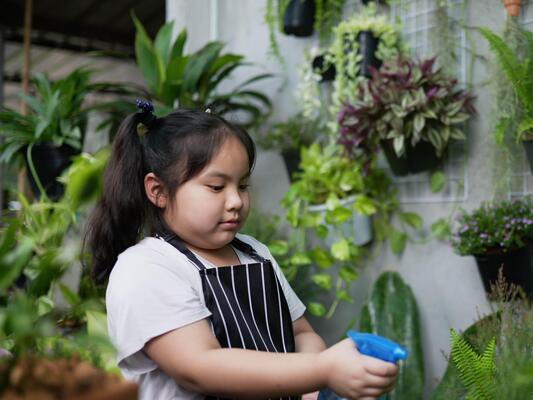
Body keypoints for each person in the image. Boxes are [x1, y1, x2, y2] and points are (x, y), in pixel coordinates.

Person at [85, 101, 398, 400]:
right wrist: (323, 369)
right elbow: (199, 367)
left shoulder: (254, 252)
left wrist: (313, 387)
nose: (236, 201)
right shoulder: (148, 268)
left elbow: (302, 335)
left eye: (243, 185)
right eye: (217, 187)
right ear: (159, 191)